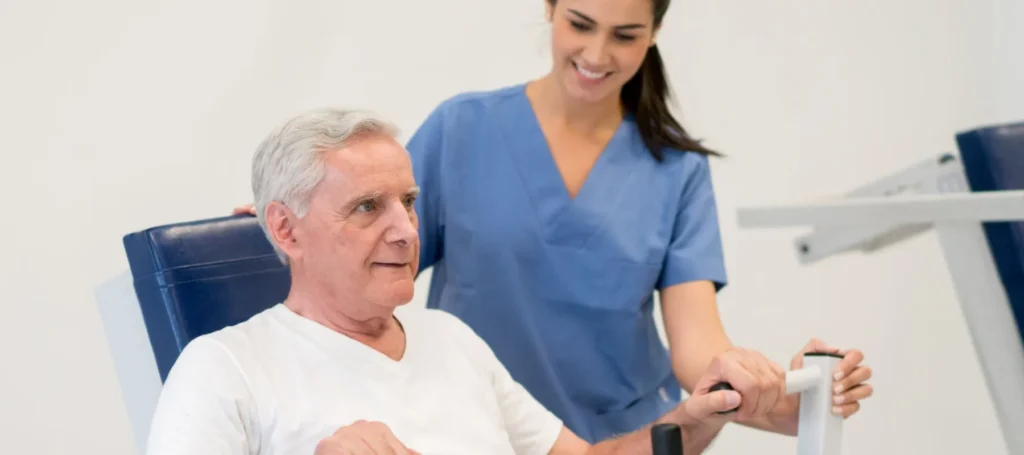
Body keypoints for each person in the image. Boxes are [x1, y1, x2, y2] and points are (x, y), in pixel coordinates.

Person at [235, 0, 874, 444]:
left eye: (625, 34)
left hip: (623, 443)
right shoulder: (463, 131)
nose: (597, 53)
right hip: (474, 435)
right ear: (550, 10)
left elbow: (697, 353)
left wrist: (795, 396)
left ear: (653, 34)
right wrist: (286, 233)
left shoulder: (674, 171)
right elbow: (363, 263)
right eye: (580, 23)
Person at [150, 107, 787, 455]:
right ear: (286, 231)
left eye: (408, 201)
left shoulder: (451, 340)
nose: (405, 229)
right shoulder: (224, 369)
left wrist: (697, 418)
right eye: (368, 208)